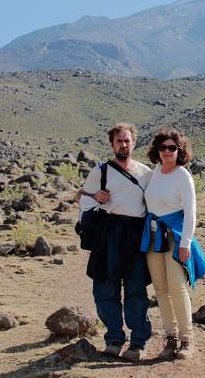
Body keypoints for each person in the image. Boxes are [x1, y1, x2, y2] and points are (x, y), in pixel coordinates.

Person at [75, 123, 152, 361]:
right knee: (105, 288)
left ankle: (138, 343)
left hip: (135, 235)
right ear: (112, 144)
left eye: (127, 140)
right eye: (119, 141)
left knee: (136, 289)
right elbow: (80, 196)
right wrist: (94, 196)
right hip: (108, 234)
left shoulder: (146, 173)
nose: (123, 144)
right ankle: (114, 339)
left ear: (134, 142)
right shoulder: (101, 171)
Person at [141, 127, 205, 360]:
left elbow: (191, 213)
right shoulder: (154, 173)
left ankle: (187, 339)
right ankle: (170, 338)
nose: (167, 152)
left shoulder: (183, 175)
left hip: (175, 235)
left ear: (179, 150)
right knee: (160, 289)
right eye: (163, 148)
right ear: (157, 151)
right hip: (153, 235)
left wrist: (185, 244)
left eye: (172, 148)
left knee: (177, 286)